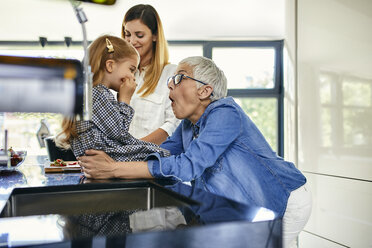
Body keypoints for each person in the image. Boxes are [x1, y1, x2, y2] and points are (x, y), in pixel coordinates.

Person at [78, 56, 312, 248]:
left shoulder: (226, 113)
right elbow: (160, 153)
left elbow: (187, 166)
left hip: (285, 201)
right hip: (243, 209)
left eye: (177, 79)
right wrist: (107, 159)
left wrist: (114, 168)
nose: (169, 85)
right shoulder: (188, 125)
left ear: (204, 91)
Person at [56, 35, 169, 161]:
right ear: (110, 65)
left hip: (103, 154)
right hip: (108, 155)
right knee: (162, 155)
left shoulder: (90, 93)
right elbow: (119, 132)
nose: (133, 77)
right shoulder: (97, 94)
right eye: (131, 70)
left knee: (154, 150)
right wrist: (125, 100)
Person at [121, 4, 180, 145]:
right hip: (120, 161)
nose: (132, 41)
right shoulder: (120, 76)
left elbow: (172, 124)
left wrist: (132, 149)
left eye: (139, 35)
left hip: (153, 159)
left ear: (154, 35)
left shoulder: (172, 74)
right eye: (127, 34)